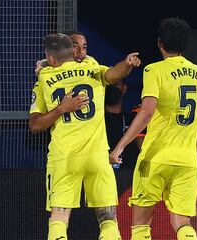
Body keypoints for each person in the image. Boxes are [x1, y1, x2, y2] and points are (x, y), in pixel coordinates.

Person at [29, 33, 139, 240]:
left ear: (51, 58)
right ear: (70, 50)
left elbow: (34, 125)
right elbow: (114, 74)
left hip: (64, 159)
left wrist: (60, 109)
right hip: (97, 157)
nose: (81, 51)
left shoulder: (43, 78)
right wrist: (127, 63)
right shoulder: (92, 68)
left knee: (59, 218)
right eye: (76, 46)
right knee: (108, 218)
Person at [110, 18, 197, 240]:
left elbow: (147, 112)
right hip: (187, 160)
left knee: (141, 223)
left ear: (160, 43)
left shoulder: (154, 70)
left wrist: (119, 147)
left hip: (155, 158)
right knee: (182, 223)